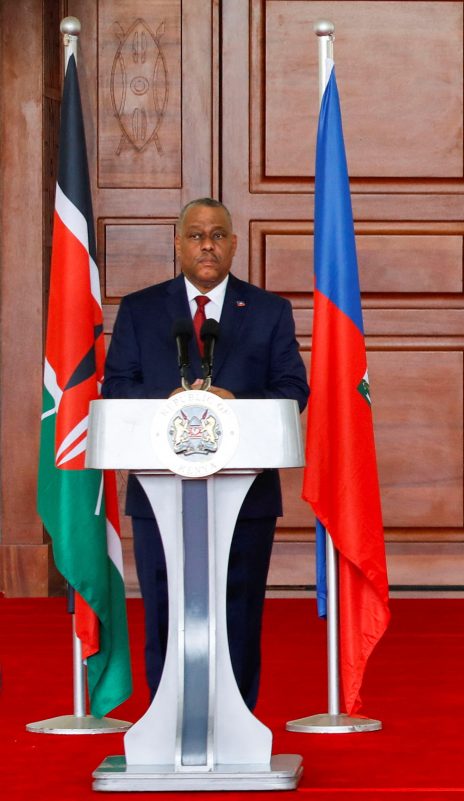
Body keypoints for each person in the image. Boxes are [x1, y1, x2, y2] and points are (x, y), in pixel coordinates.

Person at [103, 198, 309, 709]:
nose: (207, 245)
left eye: (217, 235)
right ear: (177, 245)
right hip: (159, 490)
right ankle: (166, 714)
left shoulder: (268, 310)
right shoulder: (141, 309)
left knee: (238, 606)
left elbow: (293, 390)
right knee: (164, 604)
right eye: (195, 236)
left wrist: (234, 403)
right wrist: (167, 405)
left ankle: (238, 715)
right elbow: (117, 387)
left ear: (234, 244)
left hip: (246, 495)